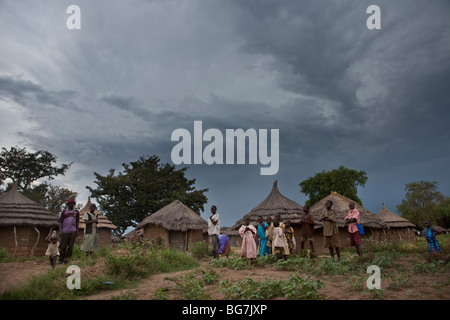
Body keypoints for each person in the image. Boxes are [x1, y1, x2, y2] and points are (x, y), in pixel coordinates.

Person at [58, 198, 79, 264]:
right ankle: (61, 258)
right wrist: (60, 230)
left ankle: (67, 259)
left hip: (73, 231)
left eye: (73, 204)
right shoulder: (64, 212)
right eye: (70, 204)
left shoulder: (76, 212)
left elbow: (77, 222)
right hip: (65, 231)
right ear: (68, 204)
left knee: (71, 246)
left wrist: (77, 230)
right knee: (62, 246)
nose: (71, 205)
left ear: (74, 204)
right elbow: (60, 221)